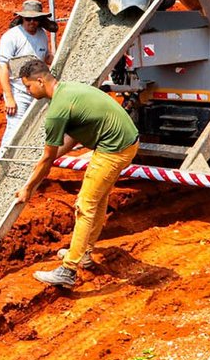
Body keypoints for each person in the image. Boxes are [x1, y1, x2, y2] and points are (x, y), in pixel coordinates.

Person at [12, 60, 139, 288]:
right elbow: (76, 136)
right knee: (98, 200)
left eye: (29, 87)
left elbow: (49, 158)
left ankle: (68, 270)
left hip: (114, 148)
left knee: (85, 204)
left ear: (40, 81)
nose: (28, 92)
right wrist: (46, 158)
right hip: (125, 141)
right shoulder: (68, 91)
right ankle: (85, 253)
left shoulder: (57, 111)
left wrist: (28, 187)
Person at [0, 0, 55, 153]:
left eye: (35, 19)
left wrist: (58, 59)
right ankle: (4, 164)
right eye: (28, 19)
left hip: (39, 94)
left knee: (36, 130)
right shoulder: (12, 37)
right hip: (19, 93)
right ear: (22, 18)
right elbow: (3, 67)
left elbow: (45, 57)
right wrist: (9, 98)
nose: (32, 22)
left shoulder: (42, 35)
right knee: (15, 131)